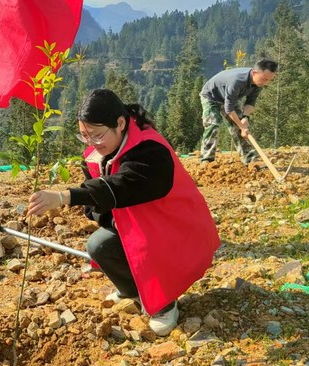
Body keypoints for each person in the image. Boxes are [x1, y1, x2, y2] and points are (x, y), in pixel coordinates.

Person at [28, 89, 219, 336]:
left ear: (120, 123)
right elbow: (96, 207)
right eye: (84, 136)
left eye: (96, 135)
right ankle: (135, 291)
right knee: (100, 245)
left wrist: (66, 196)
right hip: (143, 228)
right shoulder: (97, 154)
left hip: (176, 229)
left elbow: (122, 186)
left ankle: (163, 304)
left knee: (128, 246)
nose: (91, 143)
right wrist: (107, 216)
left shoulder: (150, 151)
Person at [199, 59, 278, 164]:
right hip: (211, 97)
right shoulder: (237, 81)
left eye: (269, 80)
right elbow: (229, 109)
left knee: (240, 127)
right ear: (254, 73)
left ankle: (249, 159)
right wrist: (241, 126)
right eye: (264, 79)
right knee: (213, 124)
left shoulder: (258, 83)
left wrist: (245, 117)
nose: (266, 83)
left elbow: (250, 103)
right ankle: (207, 159)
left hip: (230, 99)